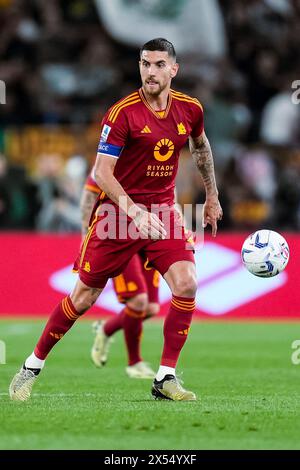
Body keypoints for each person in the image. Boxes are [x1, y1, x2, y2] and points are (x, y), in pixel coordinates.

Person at [9, 38, 222, 402]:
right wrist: (133, 210)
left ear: (174, 69)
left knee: (186, 284)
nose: (150, 71)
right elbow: (102, 172)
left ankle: (165, 377)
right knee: (84, 296)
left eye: (158, 65)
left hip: (163, 213)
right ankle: (31, 366)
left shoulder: (190, 109)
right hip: (117, 217)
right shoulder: (122, 113)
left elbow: (200, 147)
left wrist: (212, 195)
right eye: (144, 64)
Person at [81, 172, 160, 378]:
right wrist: (85, 234)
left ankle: (105, 329)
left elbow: (170, 194)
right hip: (118, 236)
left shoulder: (158, 162)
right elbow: (89, 196)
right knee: (138, 302)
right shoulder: (112, 160)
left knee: (150, 308)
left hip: (150, 234)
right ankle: (135, 363)